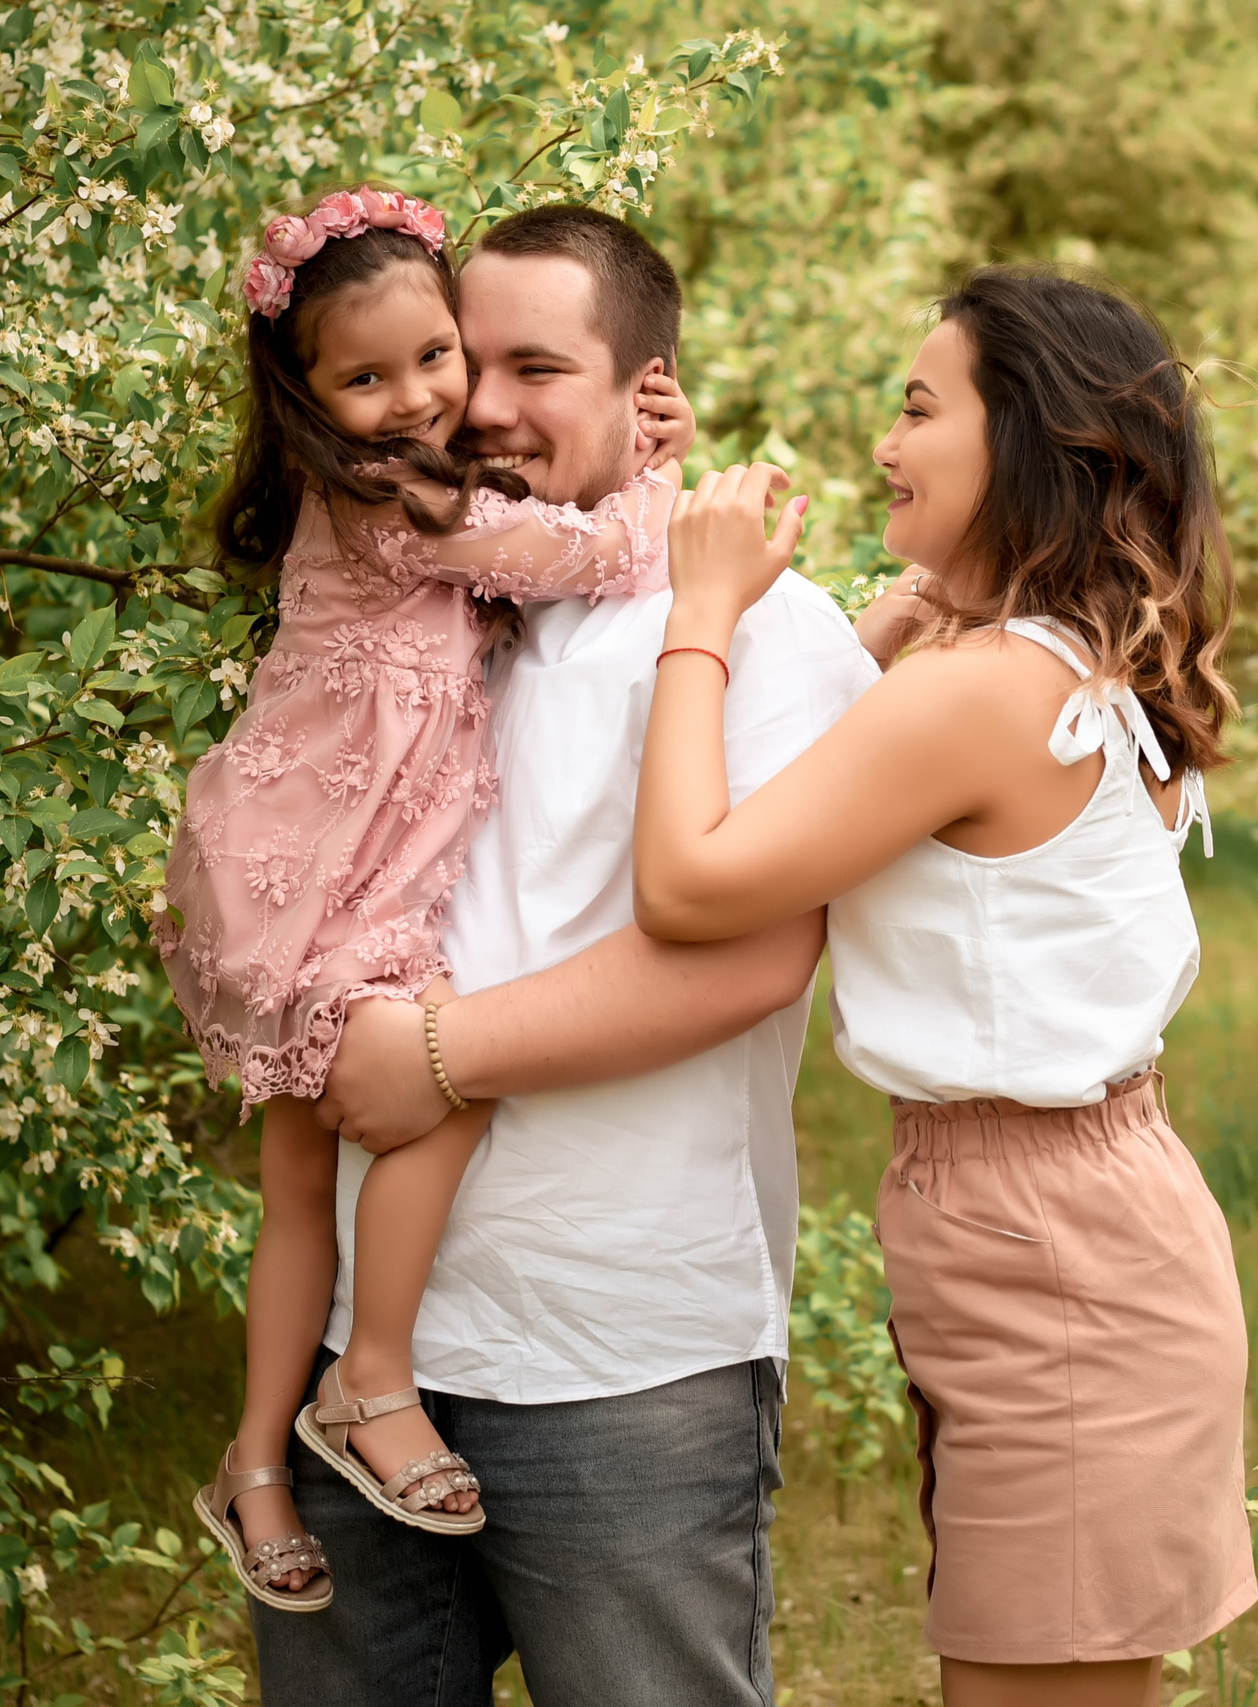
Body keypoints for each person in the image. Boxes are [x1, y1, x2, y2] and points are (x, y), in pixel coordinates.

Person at [281, 206, 879, 1705]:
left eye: (537, 369)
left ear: (646, 387)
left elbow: (749, 960)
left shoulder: (764, 631)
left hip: (621, 1357)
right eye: (461, 360)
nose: (476, 406)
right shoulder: (446, 595)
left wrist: (434, 1055)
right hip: (369, 1359)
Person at [635, 265, 1254, 1707]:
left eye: (919, 409)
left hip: (1056, 1260)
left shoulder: (981, 692)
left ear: (1024, 438)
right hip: (1060, 1226)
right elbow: (838, 776)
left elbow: (690, 883)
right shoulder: (1032, 661)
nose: (884, 445)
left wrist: (700, 614)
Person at [162, 186, 698, 1612]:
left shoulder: (403, 481)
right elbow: (597, 554)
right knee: (445, 1086)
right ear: (307, 394)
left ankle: (254, 1465)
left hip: (296, 859)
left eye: (436, 357)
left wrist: (628, 440)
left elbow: (527, 532)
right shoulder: (398, 499)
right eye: (368, 378)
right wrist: (660, 475)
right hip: (328, 875)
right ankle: (372, 1380)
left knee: (297, 1190)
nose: (416, 398)